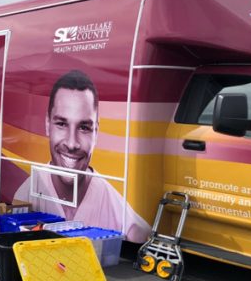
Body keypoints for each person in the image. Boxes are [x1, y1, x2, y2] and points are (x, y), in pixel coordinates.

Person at [14, 70, 151, 242]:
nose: (72, 144)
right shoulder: (27, 192)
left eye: (84, 127)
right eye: (62, 124)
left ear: (96, 132)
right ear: (48, 124)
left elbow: (142, 234)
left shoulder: (123, 217)